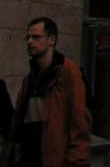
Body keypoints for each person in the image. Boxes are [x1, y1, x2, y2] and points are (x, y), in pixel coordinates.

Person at [5, 17, 90, 167]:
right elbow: (18, 126)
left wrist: (75, 162)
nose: (30, 41)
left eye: (36, 37)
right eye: (28, 37)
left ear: (51, 40)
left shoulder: (68, 73)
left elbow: (80, 126)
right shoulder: (30, 80)